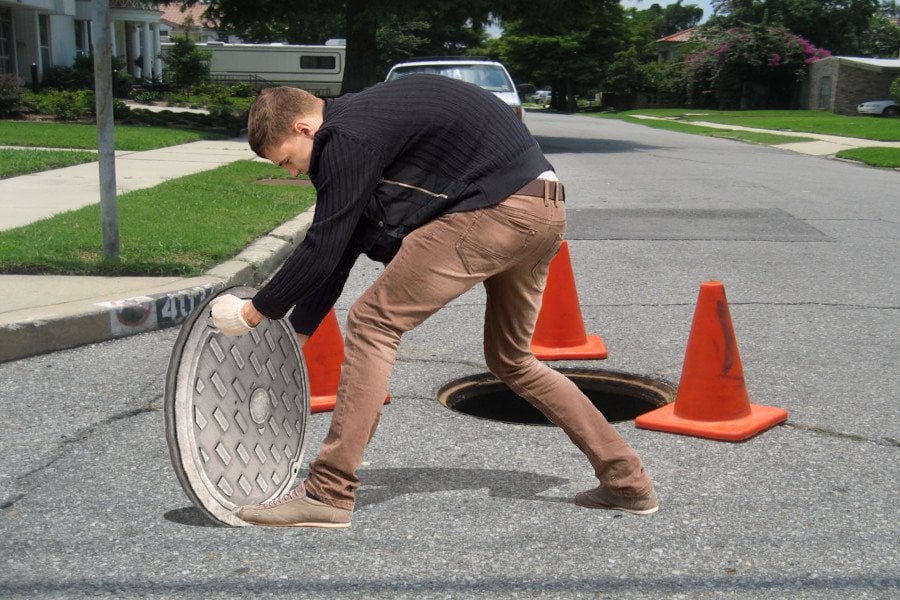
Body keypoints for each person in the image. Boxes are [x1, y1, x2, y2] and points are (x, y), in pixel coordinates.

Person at [209, 74, 658, 528]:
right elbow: (340, 249)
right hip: (544, 210)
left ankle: (329, 491)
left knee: (372, 323)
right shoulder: (370, 127)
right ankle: (627, 481)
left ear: (305, 129)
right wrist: (297, 333)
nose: (293, 173)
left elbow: (322, 245)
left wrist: (254, 311)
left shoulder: (343, 136)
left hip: (494, 210)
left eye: (287, 160)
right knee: (512, 360)